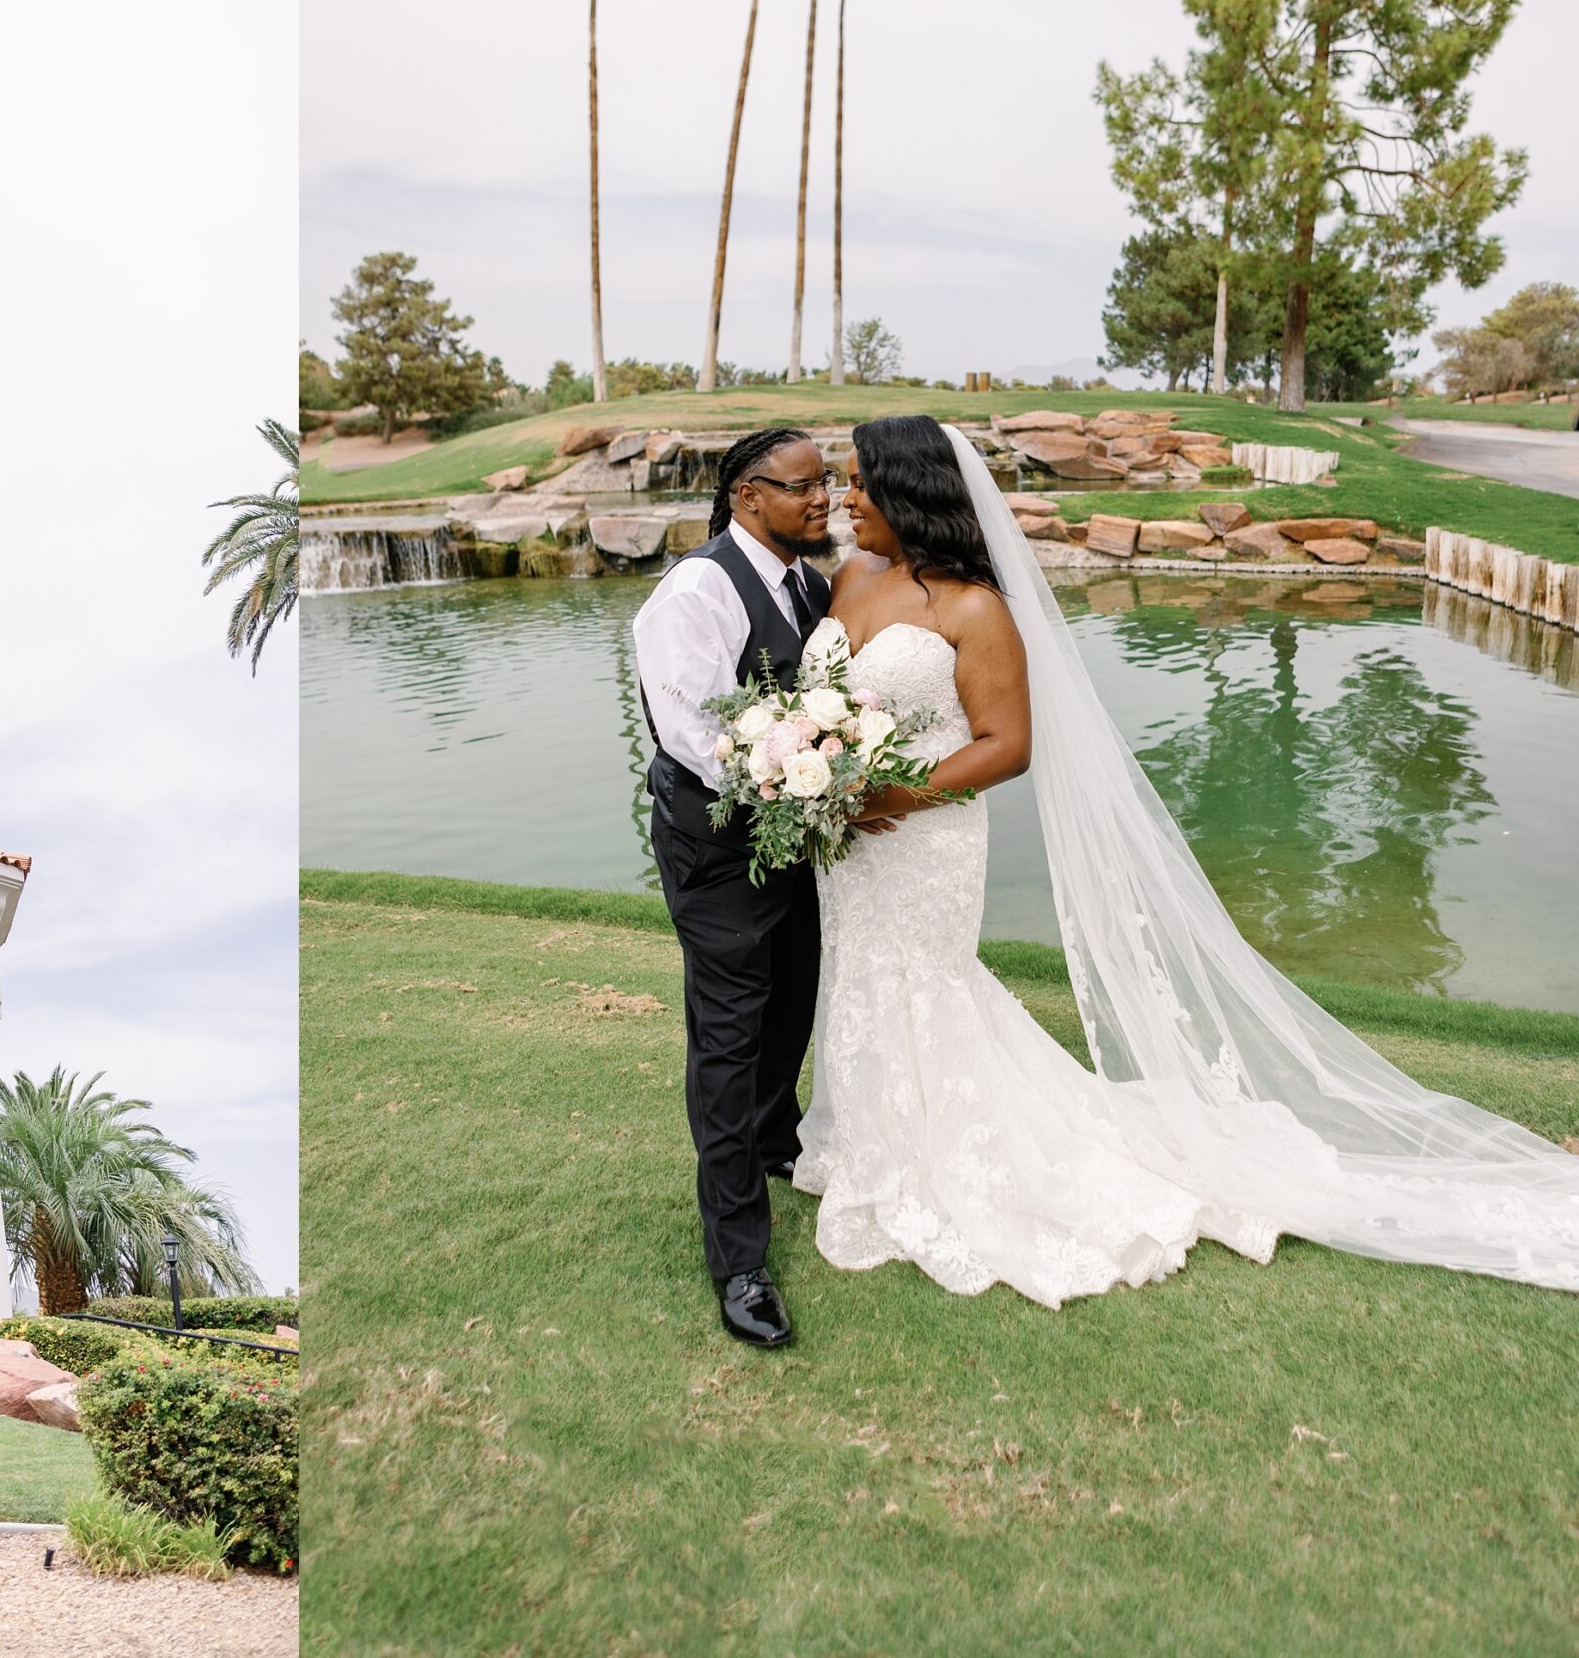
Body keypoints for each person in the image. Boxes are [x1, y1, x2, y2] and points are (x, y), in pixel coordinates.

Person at [790, 413, 1579, 1305]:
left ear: (909, 490)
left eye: (859, 483)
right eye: (842, 482)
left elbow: (1007, 744)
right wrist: (810, 768)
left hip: (923, 834)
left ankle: (943, 1156)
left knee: (924, 980)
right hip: (849, 837)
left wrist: (893, 794)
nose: (843, 498)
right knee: (859, 973)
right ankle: (871, 1140)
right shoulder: (849, 577)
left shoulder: (974, 607)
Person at [630, 426, 836, 1348]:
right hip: (719, 848)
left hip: (794, 837)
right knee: (729, 1033)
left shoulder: (811, 582)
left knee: (793, 997)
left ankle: (774, 1138)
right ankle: (740, 1258)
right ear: (750, 495)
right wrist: (786, 768)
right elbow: (693, 732)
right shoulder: (698, 590)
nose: (822, 499)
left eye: (825, 482)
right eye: (803, 487)